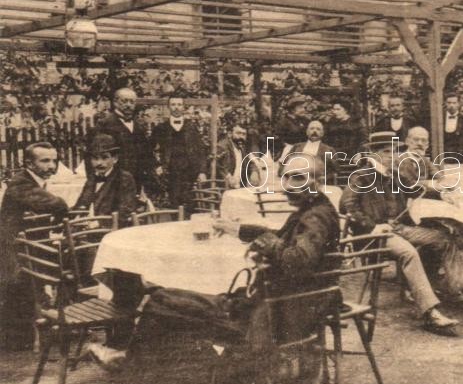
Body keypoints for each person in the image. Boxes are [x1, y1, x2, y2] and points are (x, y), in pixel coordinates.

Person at [84, 153, 340, 368]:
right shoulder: (316, 210)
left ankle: (133, 364)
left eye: (298, 178)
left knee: (161, 300)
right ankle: (155, 367)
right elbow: (280, 238)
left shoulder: (314, 218)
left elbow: (297, 260)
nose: (287, 185)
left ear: (319, 182)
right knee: (167, 299)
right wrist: (234, 228)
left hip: (267, 319)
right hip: (275, 308)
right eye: (285, 177)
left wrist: (266, 244)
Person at [339, 132, 460, 335]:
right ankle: (430, 313)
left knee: (442, 238)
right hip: (376, 235)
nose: (392, 156)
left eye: (394, 151)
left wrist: (442, 194)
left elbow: (415, 189)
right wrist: (373, 227)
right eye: (387, 151)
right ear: (373, 153)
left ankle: (447, 290)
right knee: (409, 253)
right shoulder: (361, 175)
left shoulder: (393, 174)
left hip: (399, 228)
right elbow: (346, 206)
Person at [0, 142, 69, 351]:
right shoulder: (21, 183)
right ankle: (19, 338)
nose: (51, 166)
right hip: (12, 247)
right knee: (64, 265)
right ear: (29, 163)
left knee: (69, 260)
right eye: (45, 161)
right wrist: (61, 212)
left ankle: (62, 321)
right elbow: (56, 204)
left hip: (29, 242)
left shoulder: (34, 181)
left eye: (54, 161)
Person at [88, 88, 155, 195]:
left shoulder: (138, 125)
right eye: (124, 101)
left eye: (132, 102)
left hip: (135, 181)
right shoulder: (105, 124)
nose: (128, 105)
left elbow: (145, 153)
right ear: (115, 102)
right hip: (113, 182)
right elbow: (95, 154)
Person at [150, 96, 207, 209]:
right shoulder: (161, 128)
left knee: (191, 205)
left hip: (190, 173)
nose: (176, 107)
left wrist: (202, 171)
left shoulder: (191, 127)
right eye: (173, 104)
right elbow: (149, 149)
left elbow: (201, 150)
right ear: (168, 107)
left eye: (179, 105)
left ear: (183, 107)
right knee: (173, 205)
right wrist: (157, 165)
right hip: (170, 173)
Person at [73, 134, 138, 226]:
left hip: (113, 229)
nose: (99, 163)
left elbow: (126, 211)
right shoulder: (92, 179)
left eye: (104, 157)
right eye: (95, 158)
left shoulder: (124, 178)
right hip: (87, 228)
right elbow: (80, 205)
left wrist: (98, 223)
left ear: (115, 159)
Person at [286, 120, 338, 185]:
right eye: (312, 128)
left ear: (322, 133)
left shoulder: (329, 150)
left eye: (318, 129)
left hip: (318, 183)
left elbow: (335, 170)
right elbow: (285, 163)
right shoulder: (296, 147)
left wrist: (324, 178)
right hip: (297, 181)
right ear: (307, 132)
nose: (314, 131)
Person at [442, 93, 463, 164]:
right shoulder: (440, 119)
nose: (451, 105)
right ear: (445, 103)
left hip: (460, 160)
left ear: (458, 104)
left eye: (454, 103)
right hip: (442, 159)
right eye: (449, 103)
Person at [217, 122, 250, 189]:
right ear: (230, 134)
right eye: (238, 133)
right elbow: (218, 165)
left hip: (238, 188)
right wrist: (227, 176)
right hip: (223, 188)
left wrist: (254, 172)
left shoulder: (242, 148)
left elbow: (250, 162)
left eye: (244, 134)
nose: (241, 137)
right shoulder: (222, 146)